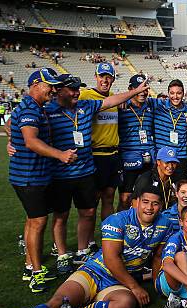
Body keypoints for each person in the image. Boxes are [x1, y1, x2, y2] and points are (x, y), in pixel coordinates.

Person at [0, 187, 171, 308]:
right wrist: (134, 286)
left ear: (161, 205)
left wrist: (156, 285)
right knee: (58, 302)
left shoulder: (165, 224)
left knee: (126, 303)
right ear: (135, 202)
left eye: (155, 204)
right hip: (96, 272)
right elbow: (111, 259)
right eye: (145, 202)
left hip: (119, 282)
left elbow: (157, 257)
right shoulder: (117, 220)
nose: (149, 208)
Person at [47, 74, 149, 272]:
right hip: (62, 170)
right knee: (61, 214)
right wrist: (12, 140)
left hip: (87, 167)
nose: (76, 92)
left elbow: (111, 100)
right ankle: (61, 254)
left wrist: (135, 92)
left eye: (78, 89)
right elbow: (19, 125)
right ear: (59, 91)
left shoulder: (86, 106)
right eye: (72, 89)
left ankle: (82, 250)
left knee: (89, 210)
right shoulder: (49, 110)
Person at [8, 68, 70, 293]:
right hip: (28, 177)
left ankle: (28, 265)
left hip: (35, 175)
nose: (53, 90)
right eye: (49, 85)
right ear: (35, 84)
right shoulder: (29, 109)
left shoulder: (35, 108)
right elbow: (31, 142)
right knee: (38, 221)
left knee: (32, 220)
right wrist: (60, 155)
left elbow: (10, 126)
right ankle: (36, 272)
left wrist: (11, 138)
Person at [79, 63, 121, 224]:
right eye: (102, 76)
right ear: (96, 77)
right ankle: (88, 241)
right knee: (93, 201)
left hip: (113, 155)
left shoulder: (114, 99)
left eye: (108, 77)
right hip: (95, 155)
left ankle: (107, 236)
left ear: (113, 79)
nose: (105, 80)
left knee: (109, 197)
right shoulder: (85, 95)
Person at [117, 75, 155, 210]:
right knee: (125, 198)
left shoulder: (151, 105)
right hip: (128, 159)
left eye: (145, 89)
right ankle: (120, 228)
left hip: (148, 159)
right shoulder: (120, 107)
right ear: (130, 89)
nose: (143, 92)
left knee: (147, 197)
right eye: (139, 89)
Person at [149, 79, 187, 182]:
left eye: (179, 93)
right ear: (168, 93)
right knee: (159, 192)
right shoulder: (159, 105)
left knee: (179, 191)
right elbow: (141, 100)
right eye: (172, 93)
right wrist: (126, 102)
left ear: (183, 93)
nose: (175, 96)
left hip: (180, 157)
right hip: (162, 157)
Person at [133, 146, 179, 211]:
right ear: (158, 162)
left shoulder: (176, 179)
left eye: (173, 163)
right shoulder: (146, 178)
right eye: (167, 162)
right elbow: (135, 203)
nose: (170, 166)